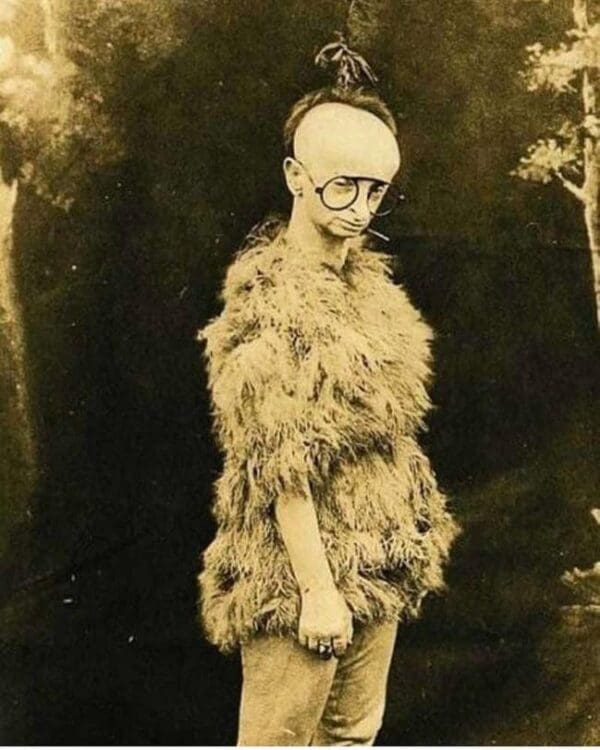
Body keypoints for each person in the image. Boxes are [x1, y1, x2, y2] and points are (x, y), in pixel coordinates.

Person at [195, 45, 463, 747]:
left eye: (376, 192)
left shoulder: (374, 295)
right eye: (342, 187)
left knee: (352, 735)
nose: (360, 210)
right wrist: (317, 590)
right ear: (297, 177)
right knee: (280, 739)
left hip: (378, 553)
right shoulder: (267, 304)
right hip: (296, 571)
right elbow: (280, 466)